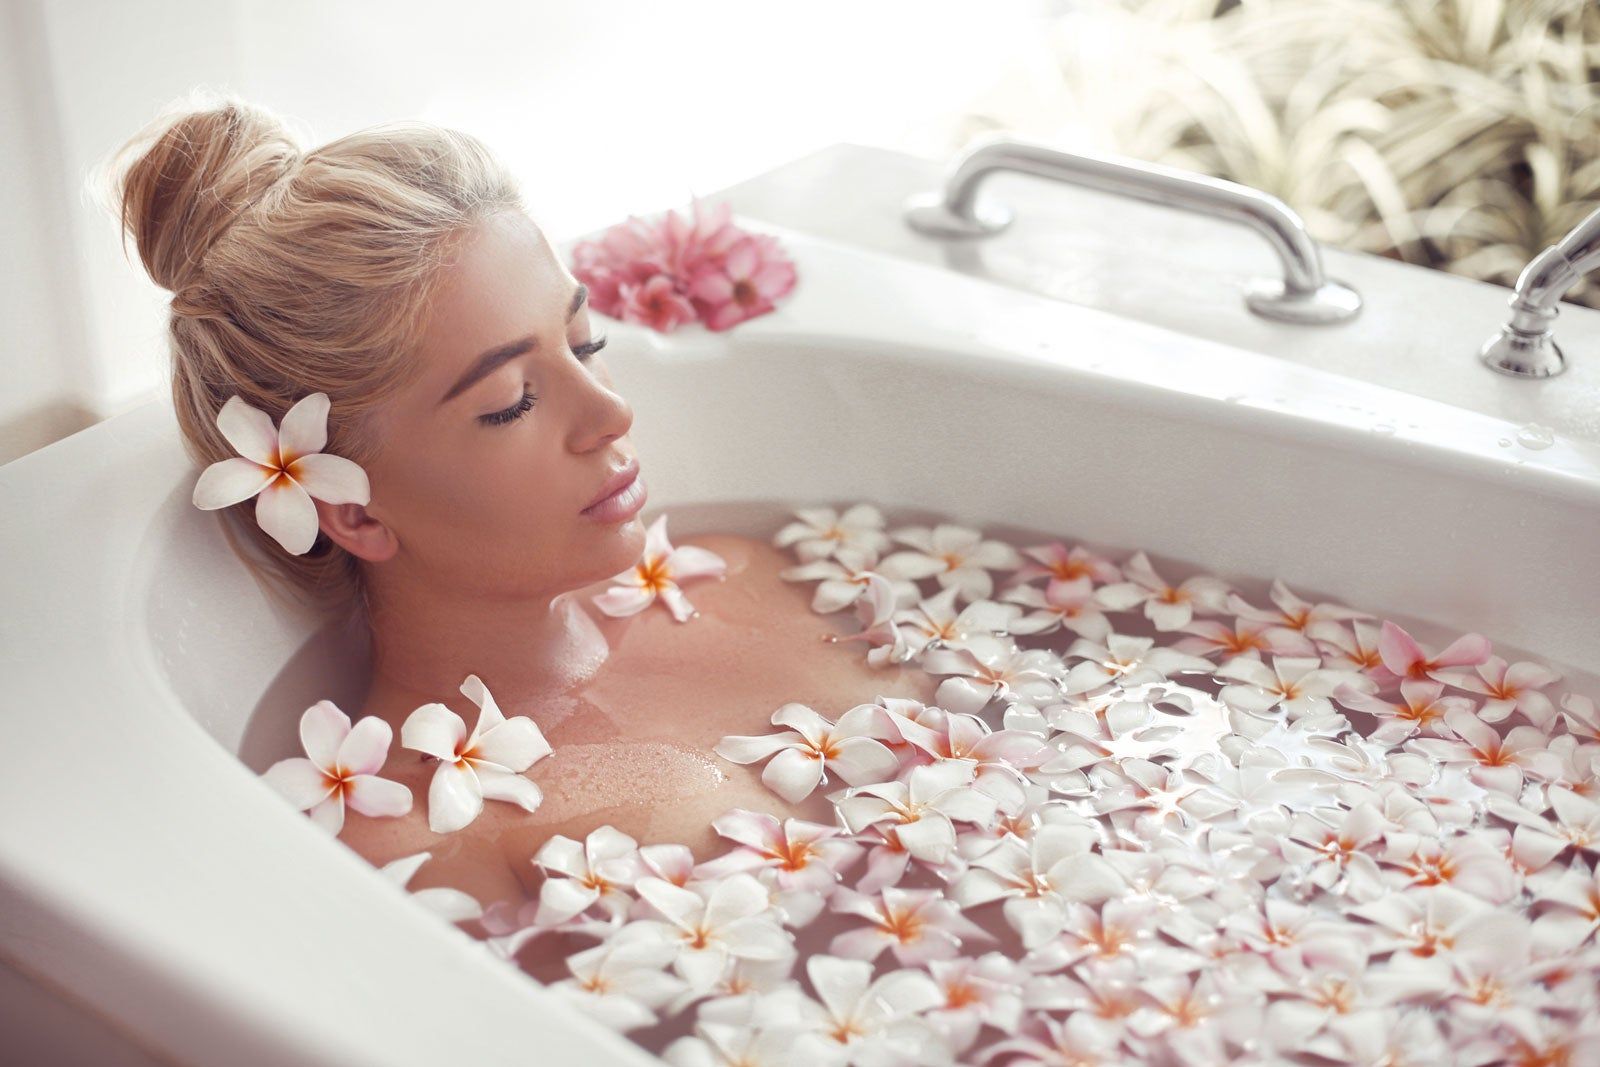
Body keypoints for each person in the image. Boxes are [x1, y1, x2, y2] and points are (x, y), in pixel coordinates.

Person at [101, 90, 939, 920]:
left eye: (587, 345)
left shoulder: (742, 569)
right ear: (354, 512)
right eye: (510, 402)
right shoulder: (417, 839)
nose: (612, 414)